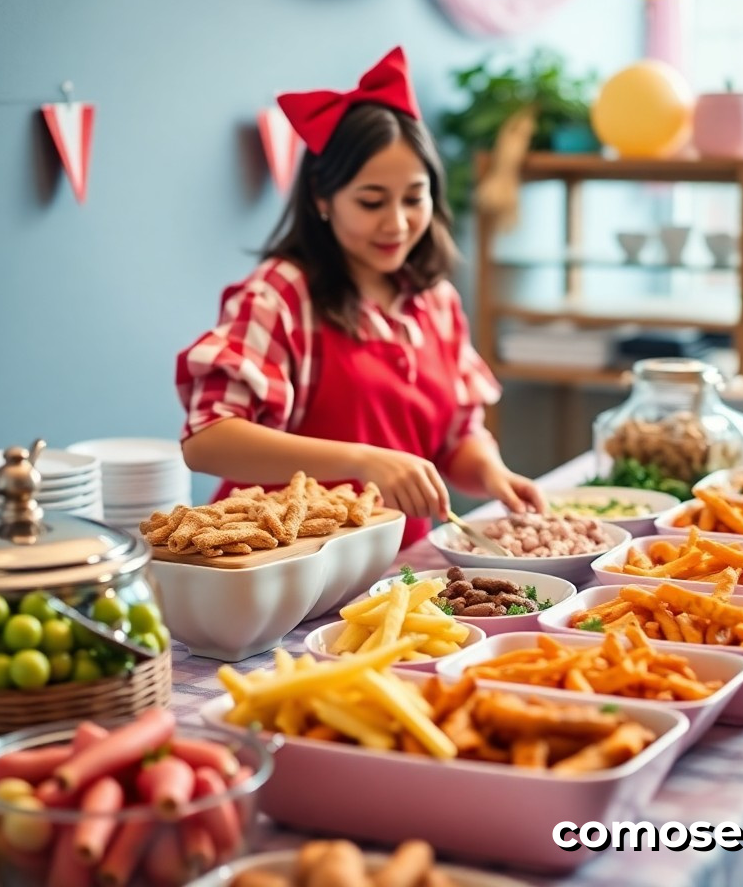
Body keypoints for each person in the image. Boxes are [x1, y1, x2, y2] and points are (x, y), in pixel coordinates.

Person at [175, 46, 544, 547]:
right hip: (280, 565)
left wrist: (491, 472)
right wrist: (360, 459)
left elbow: (455, 436)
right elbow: (208, 441)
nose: (396, 223)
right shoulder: (280, 294)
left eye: (414, 198)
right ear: (322, 199)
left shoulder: (434, 300)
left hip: (394, 564)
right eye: (371, 202)